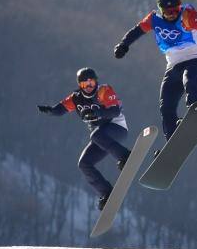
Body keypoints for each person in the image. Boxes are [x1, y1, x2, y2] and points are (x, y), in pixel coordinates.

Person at [113, 0, 197, 140]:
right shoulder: (154, 19)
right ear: (161, 10)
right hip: (173, 67)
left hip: (195, 61)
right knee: (166, 106)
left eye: (175, 10)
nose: (172, 14)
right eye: (168, 11)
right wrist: (123, 45)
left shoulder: (187, 15)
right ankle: (171, 140)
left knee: (190, 81)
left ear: (180, 6)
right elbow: (136, 31)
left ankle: (196, 110)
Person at [37, 68, 131, 210]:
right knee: (84, 163)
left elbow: (115, 110)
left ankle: (125, 156)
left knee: (95, 135)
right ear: (80, 85)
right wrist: (50, 111)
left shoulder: (103, 90)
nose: (89, 87)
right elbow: (60, 109)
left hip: (117, 128)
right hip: (102, 138)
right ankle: (107, 192)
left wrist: (97, 111)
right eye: (85, 84)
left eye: (91, 83)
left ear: (96, 82)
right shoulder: (76, 98)